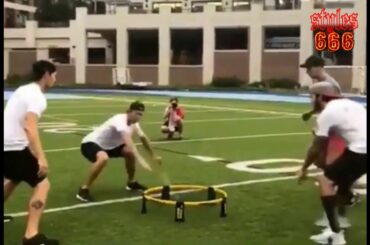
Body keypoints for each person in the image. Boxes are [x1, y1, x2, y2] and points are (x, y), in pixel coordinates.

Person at [297, 82, 366, 245]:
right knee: (342, 184)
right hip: (360, 150)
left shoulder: (327, 113)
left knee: (325, 181)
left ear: (319, 97)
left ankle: (335, 235)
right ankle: (338, 220)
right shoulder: (352, 104)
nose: (310, 101)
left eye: (311, 97)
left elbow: (316, 148)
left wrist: (303, 169)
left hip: (361, 151)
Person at [4, 60, 59, 245]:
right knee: (43, 184)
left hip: (8, 145)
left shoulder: (23, 89)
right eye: (54, 75)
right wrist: (41, 157)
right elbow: (29, 125)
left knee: (15, 177)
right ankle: (31, 236)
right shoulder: (37, 96)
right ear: (46, 74)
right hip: (11, 147)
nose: (55, 79)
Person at [76, 101, 160, 202]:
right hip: (91, 144)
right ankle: (84, 189)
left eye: (141, 114)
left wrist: (154, 155)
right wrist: (141, 160)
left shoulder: (135, 124)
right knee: (103, 158)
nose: (138, 117)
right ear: (129, 112)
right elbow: (128, 140)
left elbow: (143, 138)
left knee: (129, 152)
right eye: (136, 113)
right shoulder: (120, 120)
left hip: (111, 147)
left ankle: (131, 183)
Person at [300, 55, 341, 121]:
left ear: (319, 67)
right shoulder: (318, 83)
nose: (307, 72)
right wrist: (311, 113)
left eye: (309, 68)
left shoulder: (329, 85)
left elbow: (334, 109)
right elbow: (321, 105)